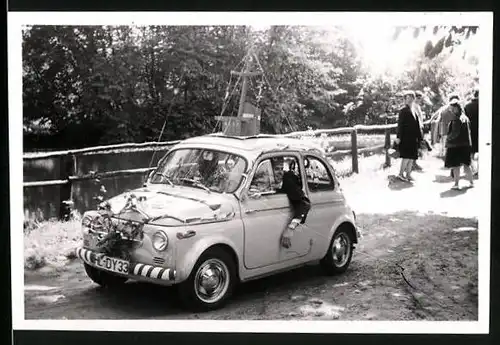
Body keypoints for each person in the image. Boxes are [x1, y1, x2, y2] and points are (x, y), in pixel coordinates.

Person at [271, 157, 311, 249]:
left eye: (281, 168)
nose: (280, 172)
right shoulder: (261, 179)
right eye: (276, 169)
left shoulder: (288, 181)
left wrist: (291, 228)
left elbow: (304, 204)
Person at [444, 100, 474, 190]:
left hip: (455, 145)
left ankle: (456, 184)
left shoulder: (457, 119)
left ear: (457, 108)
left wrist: (447, 139)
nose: (451, 110)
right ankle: (471, 182)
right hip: (465, 145)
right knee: (466, 164)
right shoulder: (465, 118)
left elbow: (455, 133)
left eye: (453, 108)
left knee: (456, 165)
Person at [395, 90, 422, 182]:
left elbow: (417, 125)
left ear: (414, 99)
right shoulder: (403, 110)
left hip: (413, 138)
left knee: (412, 157)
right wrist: (398, 137)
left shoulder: (414, 110)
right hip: (406, 137)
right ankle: (400, 174)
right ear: (405, 100)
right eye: (408, 98)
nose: (410, 100)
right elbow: (400, 125)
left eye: (411, 98)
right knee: (406, 157)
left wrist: (420, 137)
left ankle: (408, 175)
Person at [464, 89, 479, 177]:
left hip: (471, 130)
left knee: (472, 150)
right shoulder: (484, 104)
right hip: (482, 129)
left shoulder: (467, 106)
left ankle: (474, 168)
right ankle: (480, 168)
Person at [411, 91, 425, 171]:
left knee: (418, 146)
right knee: (415, 146)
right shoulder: (413, 106)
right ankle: (412, 164)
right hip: (415, 128)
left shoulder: (417, 106)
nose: (419, 100)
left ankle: (414, 163)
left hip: (419, 127)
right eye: (418, 98)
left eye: (420, 98)